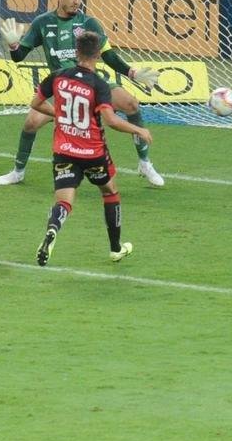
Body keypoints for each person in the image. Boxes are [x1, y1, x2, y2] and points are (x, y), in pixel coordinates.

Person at [0, 0, 165, 187]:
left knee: (131, 104)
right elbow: (19, 56)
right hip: (63, 88)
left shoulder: (89, 23)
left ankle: (145, 163)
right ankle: (17, 172)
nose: (77, 1)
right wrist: (13, 44)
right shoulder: (42, 22)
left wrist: (132, 73)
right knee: (30, 123)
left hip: (91, 82)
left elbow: (108, 55)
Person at [30, 31, 152, 266]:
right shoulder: (99, 85)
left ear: (76, 51)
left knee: (64, 201)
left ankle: (53, 229)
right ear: (98, 55)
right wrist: (139, 130)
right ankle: (116, 248)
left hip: (64, 149)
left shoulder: (57, 76)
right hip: (93, 153)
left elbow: (35, 103)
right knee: (110, 192)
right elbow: (111, 121)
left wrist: (60, 114)